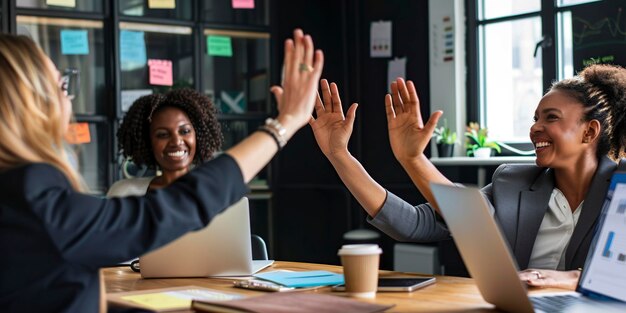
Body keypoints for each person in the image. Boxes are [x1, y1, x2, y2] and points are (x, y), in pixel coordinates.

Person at [0, 29, 323, 313]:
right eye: (61, 86)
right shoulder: (30, 192)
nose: (68, 99)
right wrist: (282, 125)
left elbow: (49, 291)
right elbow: (168, 211)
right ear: (29, 102)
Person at [310, 65, 626, 290]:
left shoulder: (621, 187)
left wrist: (572, 278)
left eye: (551, 118)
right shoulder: (512, 183)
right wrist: (340, 155)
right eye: (535, 118)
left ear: (589, 131)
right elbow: (415, 224)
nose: (535, 128)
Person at [108, 88, 222, 197]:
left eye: (185, 131)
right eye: (163, 135)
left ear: (198, 136)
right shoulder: (125, 193)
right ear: (148, 142)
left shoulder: (219, 192)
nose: (176, 141)